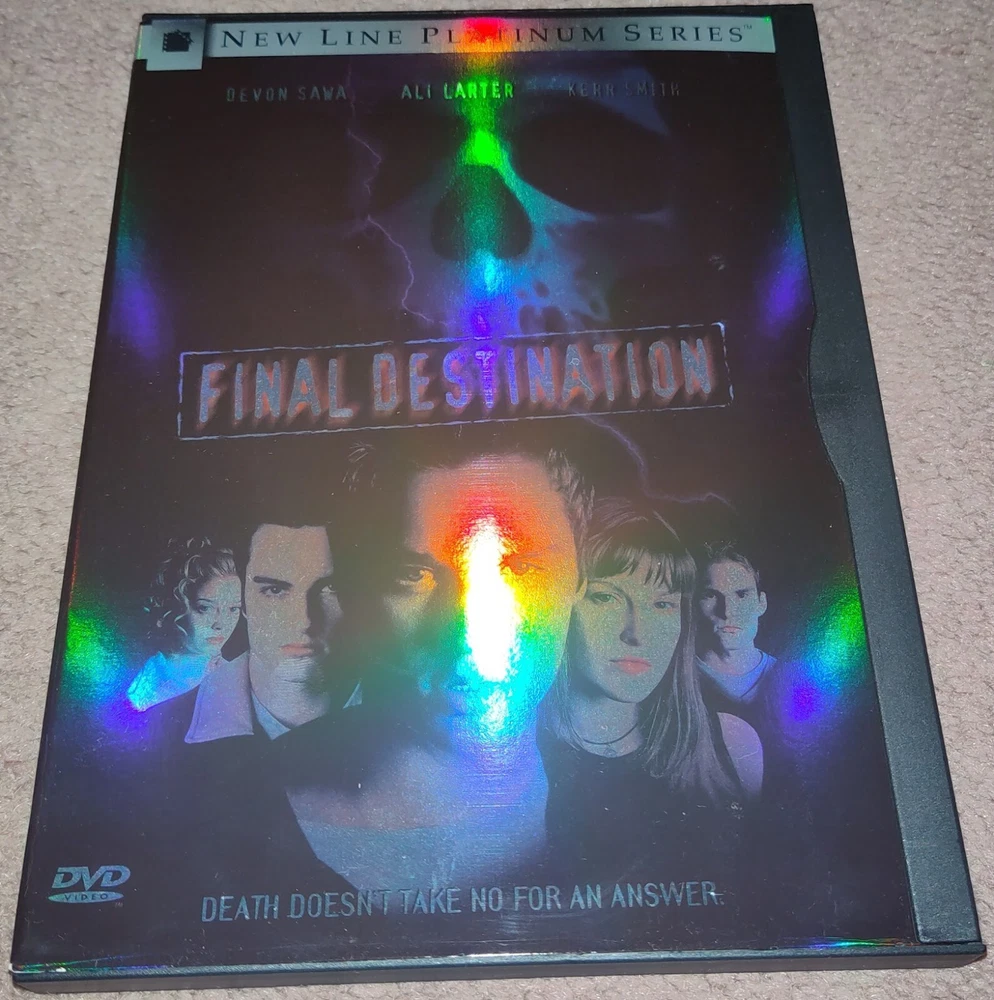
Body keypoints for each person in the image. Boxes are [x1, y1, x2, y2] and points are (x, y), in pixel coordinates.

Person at [280, 426, 593, 890]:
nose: (469, 629)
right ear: (353, 589)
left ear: (579, 578)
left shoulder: (641, 817)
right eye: (413, 574)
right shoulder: (233, 805)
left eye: (521, 567)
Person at [542, 497, 762, 883]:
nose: (637, 633)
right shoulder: (506, 754)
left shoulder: (733, 746)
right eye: (606, 597)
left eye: (662, 605)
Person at [126, 538, 241, 712]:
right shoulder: (142, 675)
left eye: (233, 609)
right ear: (176, 605)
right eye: (205, 608)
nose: (220, 624)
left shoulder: (237, 684)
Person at [694, 542, 777, 710]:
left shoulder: (788, 677)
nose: (727, 611)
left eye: (741, 594)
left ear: (761, 603)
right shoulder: (673, 679)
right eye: (711, 595)